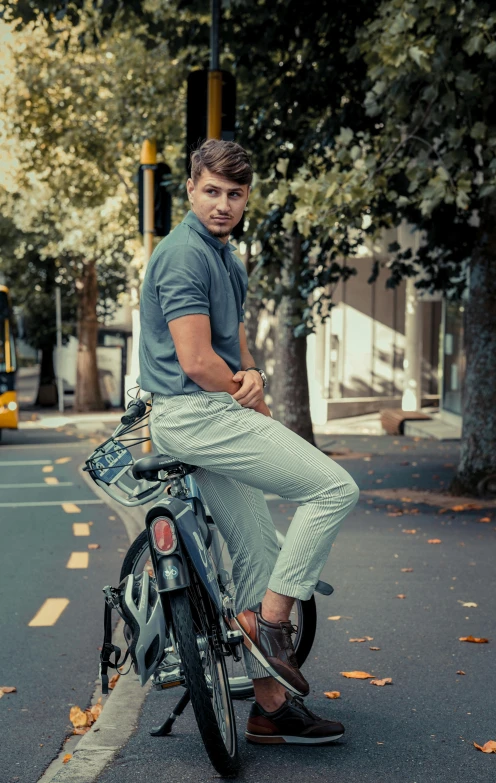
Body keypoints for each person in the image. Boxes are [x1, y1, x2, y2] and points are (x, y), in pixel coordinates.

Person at [138, 139, 359, 745]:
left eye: (235, 194)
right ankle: (269, 623)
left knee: (259, 552)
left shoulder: (227, 258)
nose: (223, 204)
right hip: (194, 414)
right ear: (190, 189)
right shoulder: (183, 255)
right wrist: (245, 386)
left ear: (246, 198)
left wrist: (254, 376)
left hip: (211, 410)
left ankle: (269, 709)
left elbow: (233, 346)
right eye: (212, 191)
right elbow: (197, 359)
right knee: (335, 488)